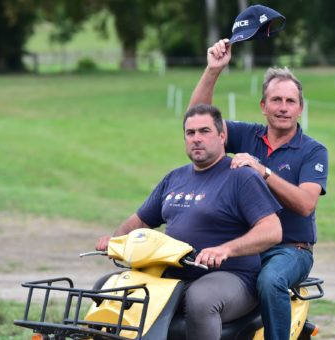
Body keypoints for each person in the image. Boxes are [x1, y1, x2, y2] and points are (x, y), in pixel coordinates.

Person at [95, 104, 282, 340]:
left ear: (222, 136)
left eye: (204, 132)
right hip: (173, 275)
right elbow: (140, 221)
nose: (196, 139)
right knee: (108, 287)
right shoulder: (175, 178)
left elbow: (272, 230)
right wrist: (116, 241)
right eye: (190, 133)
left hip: (232, 276)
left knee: (201, 299)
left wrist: (225, 249)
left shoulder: (241, 176)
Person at [189, 39, 329, 340]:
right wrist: (214, 70)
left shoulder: (313, 151)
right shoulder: (246, 134)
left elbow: (305, 204)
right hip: (246, 245)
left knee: (271, 280)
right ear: (263, 106)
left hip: (290, 249)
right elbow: (198, 120)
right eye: (276, 100)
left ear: (300, 108)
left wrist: (262, 170)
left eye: (290, 101)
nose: (283, 108)